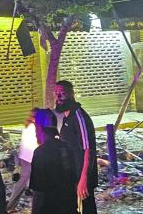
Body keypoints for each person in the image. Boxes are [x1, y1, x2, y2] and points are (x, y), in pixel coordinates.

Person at [54, 80, 97, 214]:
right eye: (56, 93)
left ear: (72, 94)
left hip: (81, 176)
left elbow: (88, 149)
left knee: (86, 209)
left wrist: (83, 179)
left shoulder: (79, 117)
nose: (58, 97)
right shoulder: (67, 117)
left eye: (62, 93)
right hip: (72, 176)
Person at [29, 108, 77, 214]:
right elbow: (73, 181)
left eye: (36, 127)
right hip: (68, 206)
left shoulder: (40, 152)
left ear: (41, 128)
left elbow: (38, 191)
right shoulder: (66, 148)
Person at [7, 109, 39, 212]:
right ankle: (9, 207)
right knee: (24, 184)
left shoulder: (27, 127)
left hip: (25, 159)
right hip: (30, 160)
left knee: (21, 183)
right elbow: (36, 145)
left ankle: (10, 206)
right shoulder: (33, 128)